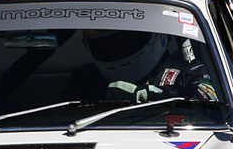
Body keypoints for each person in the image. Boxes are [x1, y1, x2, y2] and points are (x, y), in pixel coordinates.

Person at [71, 29, 220, 103]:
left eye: (124, 41)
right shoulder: (88, 79)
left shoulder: (187, 73)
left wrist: (146, 95)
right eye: (105, 46)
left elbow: (210, 99)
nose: (115, 49)